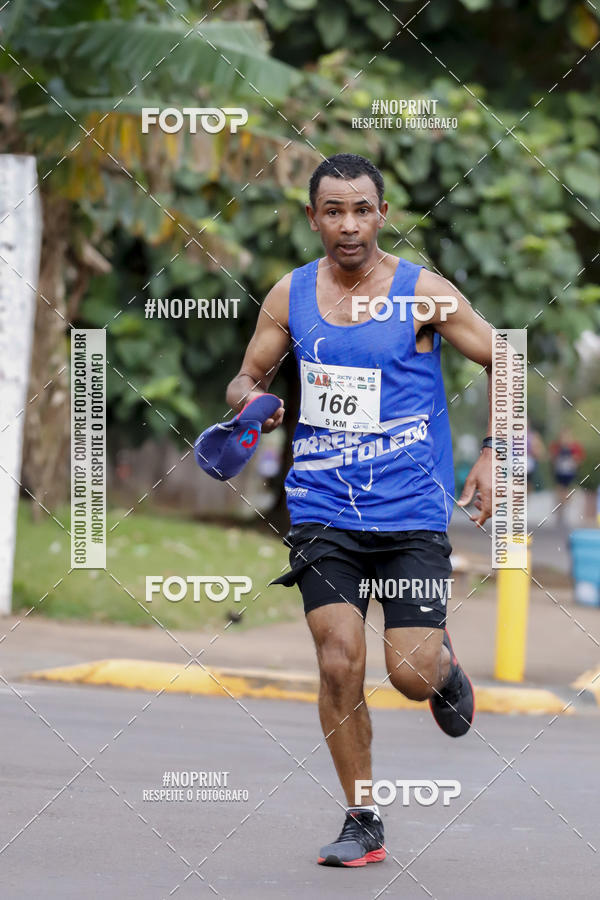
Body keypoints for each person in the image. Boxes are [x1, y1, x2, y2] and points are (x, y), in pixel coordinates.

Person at [225, 153, 496, 867]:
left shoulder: (423, 293)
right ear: (313, 217)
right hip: (322, 509)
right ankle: (363, 819)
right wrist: (253, 405)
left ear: (381, 214)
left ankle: (441, 670)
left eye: (363, 209)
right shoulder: (290, 296)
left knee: (406, 672)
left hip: (410, 512)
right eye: (334, 211)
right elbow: (247, 375)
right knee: (338, 661)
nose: (349, 225)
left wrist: (496, 453)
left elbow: (509, 358)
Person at [549, 428, 585, 526]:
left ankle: (564, 510)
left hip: (569, 473)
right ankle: (559, 511)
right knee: (559, 491)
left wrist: (574, 461)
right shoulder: (557, 446)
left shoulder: (574, 446)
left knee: (567, 493)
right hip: (559, 472)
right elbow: (551, 457)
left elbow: (579, 459)